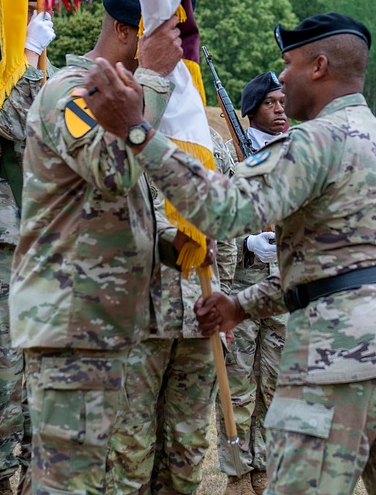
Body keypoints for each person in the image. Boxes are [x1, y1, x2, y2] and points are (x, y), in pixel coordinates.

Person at [83, 12, 376, 494]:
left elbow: (222, 211)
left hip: (342, 354)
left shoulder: (314, 140)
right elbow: (341, 266)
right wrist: (242, 304)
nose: (281, 78)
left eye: (289, 64)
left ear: (319, 66)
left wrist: (138, 131)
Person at [9, 0, 189, 493]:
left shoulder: (122, 98)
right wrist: (154, 81)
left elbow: (105, 205)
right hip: (70, 320)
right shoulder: (73, 90)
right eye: (167, 40)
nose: (177, 55)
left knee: (96, 476)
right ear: (132, 34)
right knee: (68, 480)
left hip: (103, 321)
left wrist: (166, 244)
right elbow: (113, 169)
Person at [108, 127, 237, 495]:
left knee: (188, 446)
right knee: (130, 447)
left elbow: (221, 235)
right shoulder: (115, 141)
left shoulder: (198, 138)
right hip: (138, 318)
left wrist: (224, 301)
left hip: (199, 320)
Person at [0, 0, 56, 495]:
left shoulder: (44, 72)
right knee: (2, 369)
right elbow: (4, 121)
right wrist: (25, 55)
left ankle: (35, 473)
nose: (32, 16)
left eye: (35, 11)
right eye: (23, 10)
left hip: (47, 242)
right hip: (3, 243)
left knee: (43, 370)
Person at [216, 71, 287, 495]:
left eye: (283, 102)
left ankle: (265, 465)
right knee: (238, 386)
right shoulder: (226, 156)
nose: (281, 110)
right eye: (271, 103)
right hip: (241, 288)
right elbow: (217, 219)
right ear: (249, 111)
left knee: (275, 384)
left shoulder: (296, 153)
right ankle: (237, 472)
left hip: (282, 287)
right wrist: (247, 243)